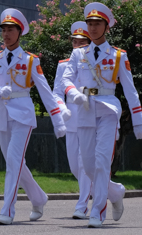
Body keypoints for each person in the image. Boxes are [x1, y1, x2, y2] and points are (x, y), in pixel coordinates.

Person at [0, 8, 69, 225]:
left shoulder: (30, 60)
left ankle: (7, 210)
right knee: (14, 161)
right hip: (2, 113)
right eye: (4, 30)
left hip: (23, 114)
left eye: (11, 30)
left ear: (20, 32)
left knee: (14, 161)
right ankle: (39, 197)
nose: (6, 34)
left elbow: (46, 92)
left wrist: (58, 121)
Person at [61, 2, 142, 228]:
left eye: (97, 24)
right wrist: (74, 94)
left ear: (106, 27)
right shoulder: (78, 53)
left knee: (101, 162)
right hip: (85, 109)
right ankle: (116, 192)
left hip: (108, 110)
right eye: (89, 23)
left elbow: (130, 89)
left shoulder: (118, 55)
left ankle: (98, 212)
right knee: (88, 167)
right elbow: (66, 80)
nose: (92, 27)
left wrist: (138, 121)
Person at [53, 21, 93, 219]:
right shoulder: (63, 65)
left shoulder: (94, 63)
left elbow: (100, 89)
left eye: (82, 42)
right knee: (74, 166)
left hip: (88, 115)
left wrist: (82, 93)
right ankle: (105, 187)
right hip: (70, 118)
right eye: (75, 42)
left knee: (84, 164)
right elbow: (57, 92)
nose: (78, 45)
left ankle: (82, 205)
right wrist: (62, 109)